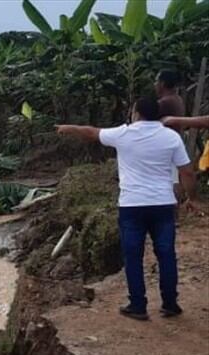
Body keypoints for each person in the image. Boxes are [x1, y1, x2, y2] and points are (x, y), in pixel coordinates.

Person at [56, 97, 193, 320]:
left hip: (132, 205)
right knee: (166, 254)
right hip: (163, 204)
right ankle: (170, 304)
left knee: (133, 256)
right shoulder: (171, 137)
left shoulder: (123, 134)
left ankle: (138, 306)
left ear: (136, 113)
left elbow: (91, 132)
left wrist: (68, 128)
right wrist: (192, 198)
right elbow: (186, 171)